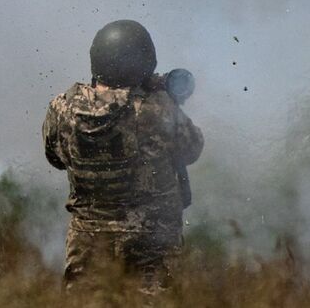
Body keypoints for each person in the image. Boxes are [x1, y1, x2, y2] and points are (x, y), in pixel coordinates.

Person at [42, 20, 203, 295]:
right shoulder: (156, 109)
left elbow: (55, 158)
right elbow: (193, 148)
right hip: (151, 243)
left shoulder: (62, 109)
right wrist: (163, 96)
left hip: (88, 244)